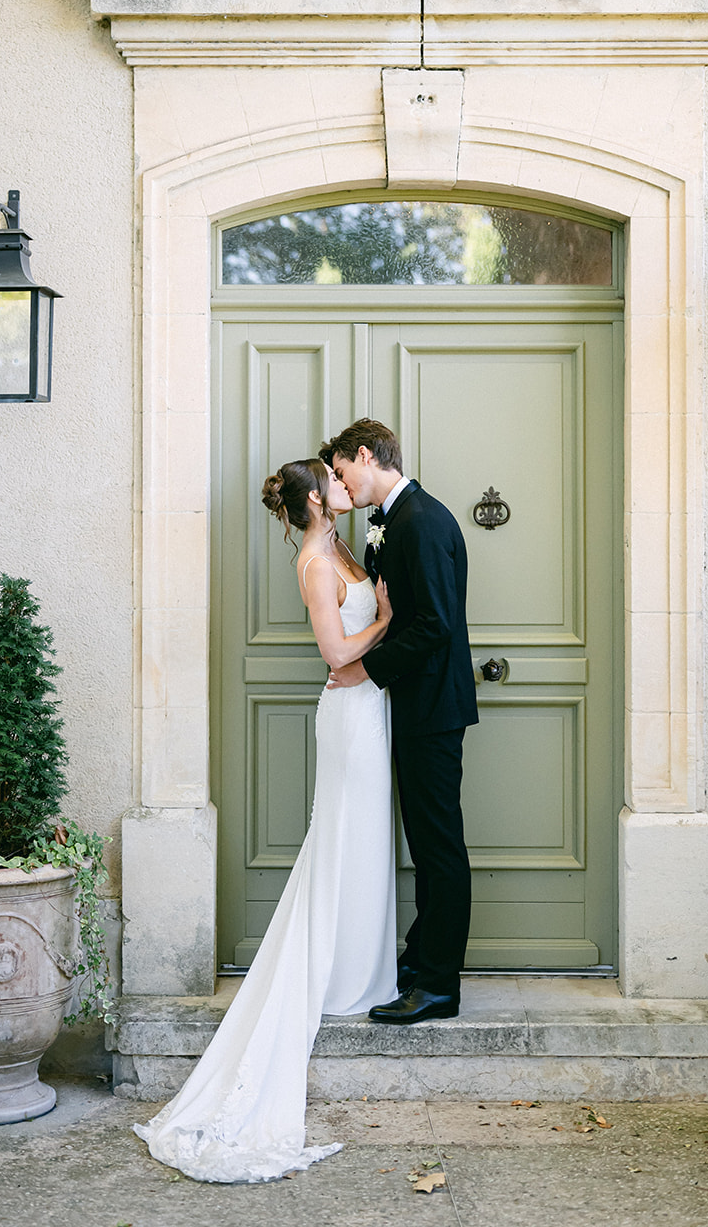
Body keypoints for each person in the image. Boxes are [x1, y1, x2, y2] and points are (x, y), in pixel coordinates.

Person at [134, 458, 395, 1184]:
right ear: (316, 498)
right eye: (334, 481)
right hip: (348, 715)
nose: (346, 486)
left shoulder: (345, 545)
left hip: (371, 706)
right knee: (343, 840)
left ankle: (364, 972)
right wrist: (383, 620)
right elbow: (336, 653)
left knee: (365, 844)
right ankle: (340, 979)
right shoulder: (316, 563)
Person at [320, 419, 477, 1025]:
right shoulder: (390, 521)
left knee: (439, 848)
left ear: (366, 455)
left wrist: (367, 671)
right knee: (424, 843)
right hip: (410, 706)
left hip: (434, 708)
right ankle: (419, 958)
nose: (339, 482)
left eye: (341, 470)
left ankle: (439, 985)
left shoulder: (425, 520)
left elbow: (435, 623)